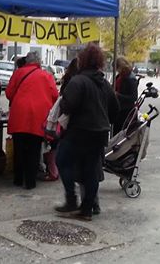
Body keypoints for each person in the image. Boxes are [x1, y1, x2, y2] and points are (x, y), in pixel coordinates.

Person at [55, 44, 119, 221]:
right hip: (99, 133)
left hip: (79, 131)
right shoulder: (105, 84)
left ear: (82, 60)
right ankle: (87, 210)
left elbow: (67, 105)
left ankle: (71, 199)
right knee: (91, 171)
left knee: (61, 159)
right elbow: (115, 109)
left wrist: (63, 104)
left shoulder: (78, 81)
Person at [6, 52, 58, 190]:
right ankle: (30, 182)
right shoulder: (47, 75)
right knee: (34, 150)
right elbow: (55, 95)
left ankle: (18, 179)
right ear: (39, 62)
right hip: (38, 118)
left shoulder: (18, 73)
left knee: (19, 149)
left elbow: (8, 93)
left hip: (19, 116)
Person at [112, 57, 138, 136]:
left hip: (125, 112)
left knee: (119, 134)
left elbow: (133, 97)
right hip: (119, 110)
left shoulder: (130, 78)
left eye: (117, 68)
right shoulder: (120, 76)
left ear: (121, 67)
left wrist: (118, 95)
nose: (116, 71)